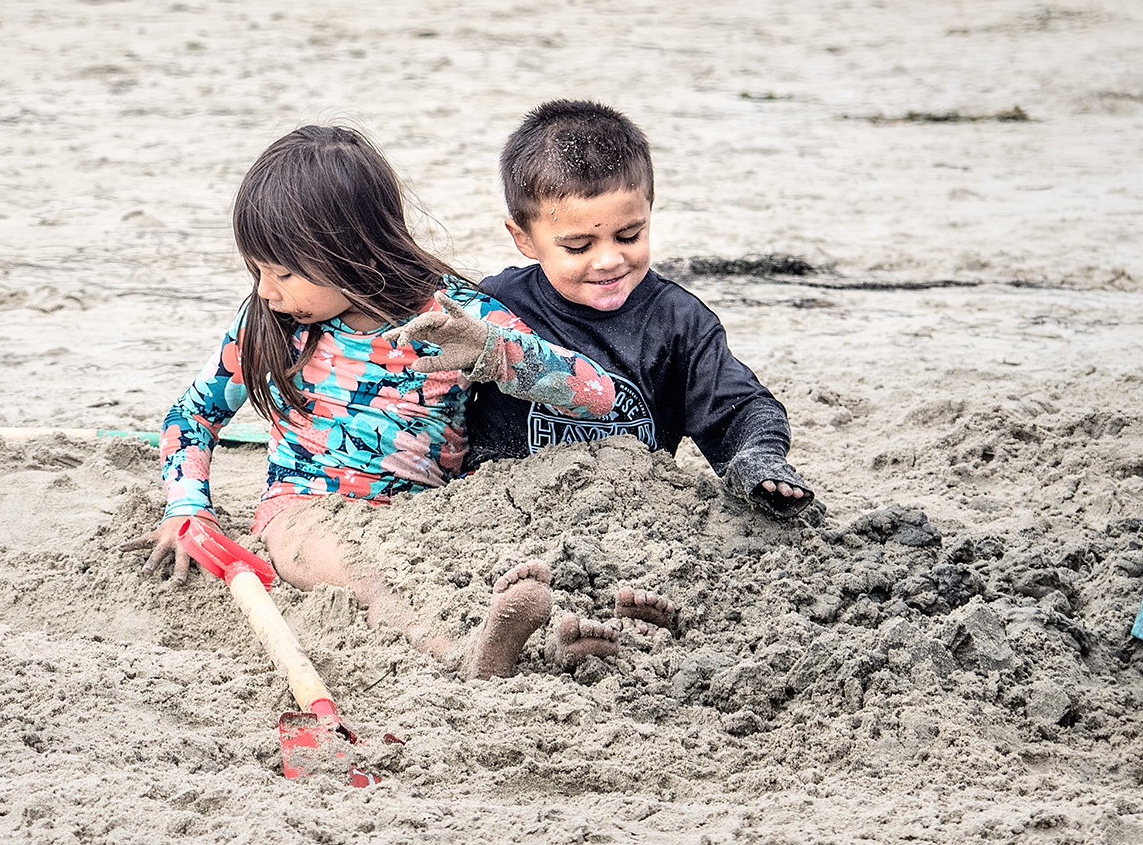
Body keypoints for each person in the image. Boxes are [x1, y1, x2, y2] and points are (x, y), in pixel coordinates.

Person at [121, 124, 621, 680]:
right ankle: (461, 655)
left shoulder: (453, 317)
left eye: (284, 272)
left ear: (352, 254)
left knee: (501, 569)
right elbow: (192, 415)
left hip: (432, 516)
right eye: (257, 269)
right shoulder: (271, 324)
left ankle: (550, 648)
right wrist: (188, 506)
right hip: (302, 513)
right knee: (369, 577)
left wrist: (493, 352)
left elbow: (598, 395)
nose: (265, 289)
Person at [458, 100, 816, 660]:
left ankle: (631, 626)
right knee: (515, 573)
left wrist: (756, 461)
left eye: (630, 234)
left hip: (634, 520)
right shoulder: (492, 306)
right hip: (509, 513)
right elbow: (423, 385)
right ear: (523, 238)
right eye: (578, 246)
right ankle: (528, 634)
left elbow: (744, 407)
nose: (609, 260)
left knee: (647, 565)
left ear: (650, 211)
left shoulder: (678, 323)